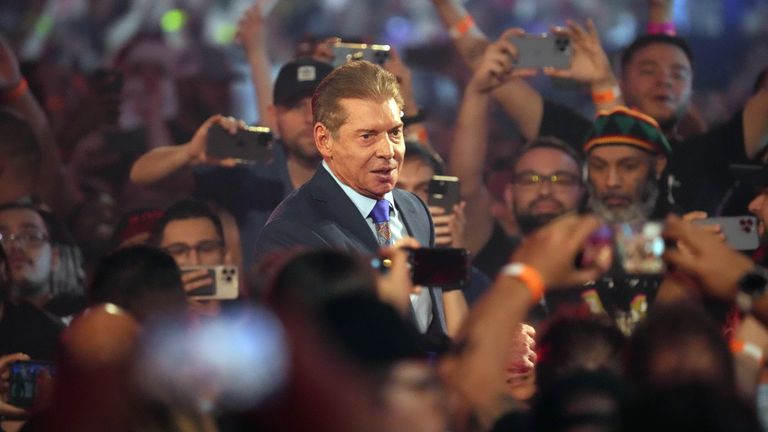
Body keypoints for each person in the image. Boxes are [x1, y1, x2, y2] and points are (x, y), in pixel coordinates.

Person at [255, 60, 449, 336]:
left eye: (395, 132)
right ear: (324, 140)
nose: (388, 151)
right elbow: (316, 354)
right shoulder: (291, 233)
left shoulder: (415, 209)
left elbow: (430, 334)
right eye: (368, 136)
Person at [130, 58, 334, 265]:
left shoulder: (363, 173)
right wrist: (190, 153)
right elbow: (142, 176)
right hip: (259, 297)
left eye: (320, 105)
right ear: (273, 115)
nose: (310, 118)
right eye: (296, 106)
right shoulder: (251, 170)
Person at [151, 199, 236, 319]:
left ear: (225, 254)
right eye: (178, 251)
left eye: (206, 248)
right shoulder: (146, 316)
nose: (194, 261)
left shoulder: (250, 313)